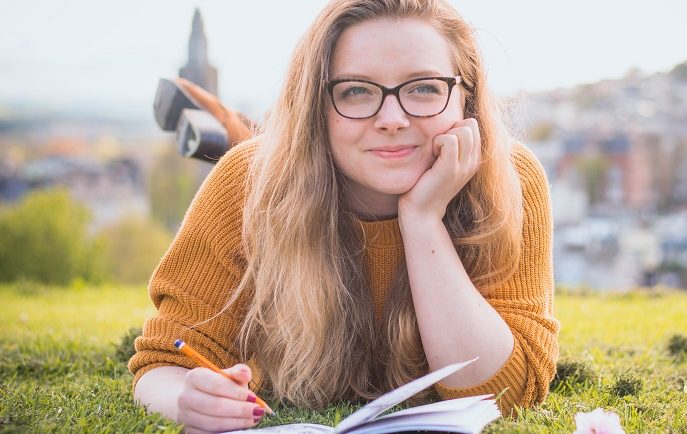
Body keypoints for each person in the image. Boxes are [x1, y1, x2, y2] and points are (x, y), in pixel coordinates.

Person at [129, 0, 560, 432]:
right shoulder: (245, 182)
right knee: (269, 163)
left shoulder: (509, 179)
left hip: (318, 155)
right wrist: (187, 399)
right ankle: (238, 129)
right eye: (356, 90)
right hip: (290, 168)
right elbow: (165, 360)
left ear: (466, 98)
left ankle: (228, 124)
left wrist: (423, 218)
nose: (392, 119)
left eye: (424, 88)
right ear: (317, 104)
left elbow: (507, 392)